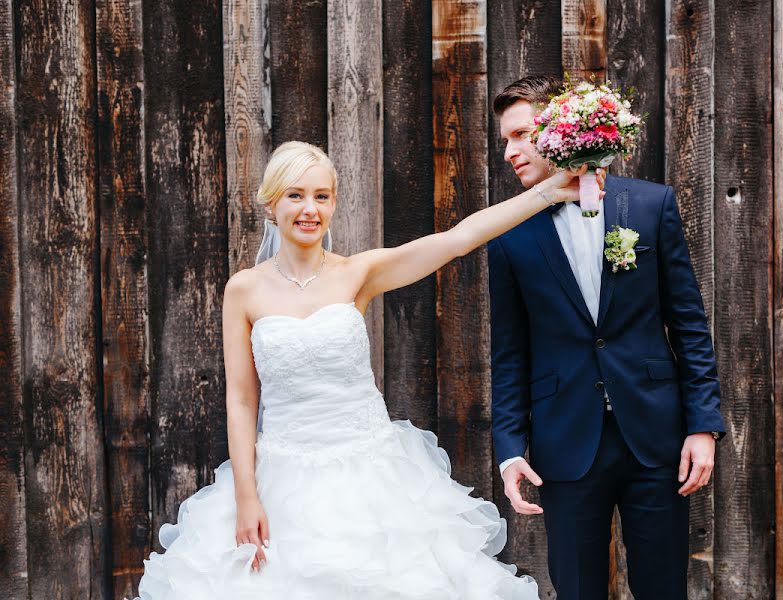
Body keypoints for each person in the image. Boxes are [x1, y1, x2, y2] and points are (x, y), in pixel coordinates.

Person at [133, 141, 585, 599]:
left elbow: (458, 239)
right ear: (271, 204)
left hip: (373, 476)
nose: (310, 209)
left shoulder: (357, 273)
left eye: (322, 196)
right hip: (283, 480)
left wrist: (548, 191)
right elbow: (242, 399)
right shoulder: (243, 291)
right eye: (295, 195)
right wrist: (247, 497)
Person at [488, 75, 726, 600]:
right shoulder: (507, 233)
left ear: (559, 130)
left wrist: (703, 426)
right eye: (504, 139)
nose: (509, 152)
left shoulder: (649, 206)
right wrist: (509, 451)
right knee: (576, 589)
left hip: (658, 438)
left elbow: (689, 325)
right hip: (565, 445)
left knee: (663, 588)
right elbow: (509, 353)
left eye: (520, 135)